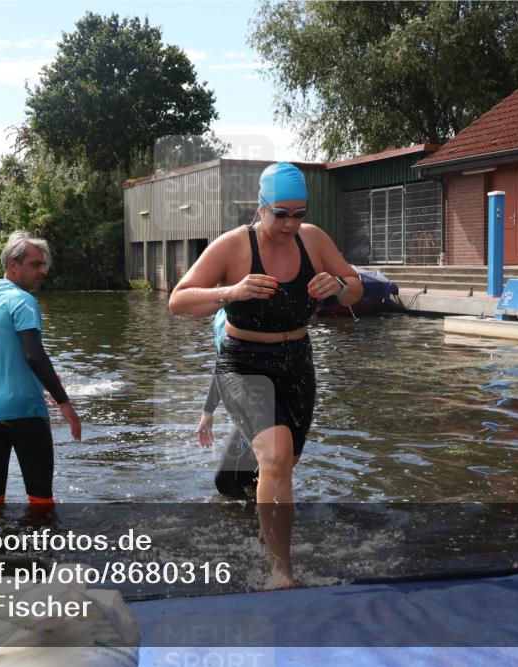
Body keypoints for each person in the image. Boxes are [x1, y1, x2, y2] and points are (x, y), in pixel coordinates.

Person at [169, 161, 363, 588]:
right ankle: (282, 570)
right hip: (243, 363)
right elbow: (178, 300)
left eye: (299, 213)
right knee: (275, 457)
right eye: (281, 213)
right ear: (260, 208)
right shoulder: (233, 246)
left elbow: (355, 285)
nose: (291, 224)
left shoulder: (313, 241)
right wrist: (231, 292)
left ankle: (266, 525)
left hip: (297, 362)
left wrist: (339, 287)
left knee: (285, 464)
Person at [0, 231, 81, 508]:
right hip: (24, 412)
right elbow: (34, 355)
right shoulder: (22, 301)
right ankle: (43, 550)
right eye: (35, 264)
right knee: (41, 500)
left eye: (43, 265)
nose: (43, 271)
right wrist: (65, 404)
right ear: (12, 266)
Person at [195, 309, 258, 500]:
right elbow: (223, 364)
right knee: (247, 476)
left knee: (226, 480)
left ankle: (264, 525)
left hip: (262, 409)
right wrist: (208, 411)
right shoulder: (222, 314)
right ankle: (256, 523)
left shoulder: (248, 312)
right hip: (247, 411)